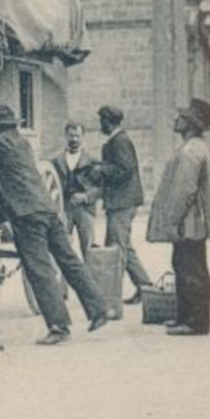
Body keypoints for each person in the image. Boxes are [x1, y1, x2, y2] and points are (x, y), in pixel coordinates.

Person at [0, 97, 111, 346]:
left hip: (27, 215)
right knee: (69, 260)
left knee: (39, 270)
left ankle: (59, 326)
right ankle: (99, 309)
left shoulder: (0, 143)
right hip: (48, 208)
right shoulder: (23, 143)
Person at [146, 98, 210, 336]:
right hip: (193, 221)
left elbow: (184, 190)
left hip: (189, 221)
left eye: (181, 117)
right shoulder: (198, 146)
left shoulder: (192, 150)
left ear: (191, 124)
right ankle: (186, 317)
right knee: (186, 265)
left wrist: (171, 221)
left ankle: (195, 322)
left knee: (190, 268)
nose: (176, 119)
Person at [89, 104, 152, 304]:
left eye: (102, 121)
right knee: (123, 246)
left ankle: (111, 295)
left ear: (108, 121)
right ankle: (145, 287)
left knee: (117, 249)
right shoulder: (116, 140)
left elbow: (125, 169)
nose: (100, 125)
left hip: (122, 202)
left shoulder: (120, 141)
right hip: (121, 201)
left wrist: (101, 170)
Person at [50, 120, 99, 257]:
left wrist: (85, 196)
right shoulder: (56, 161)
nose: (74, 139)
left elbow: (100, 188)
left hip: (85, 209)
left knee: (88, 248)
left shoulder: (92, 161)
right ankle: (63, 278)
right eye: (71, 136)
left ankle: (90, 276)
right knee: (62, 246)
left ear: (83, 137)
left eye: (78, 136)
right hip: (64, 208)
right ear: (66, 136)